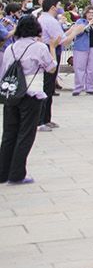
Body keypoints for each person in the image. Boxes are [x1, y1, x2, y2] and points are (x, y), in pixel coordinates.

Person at [1, 15, 55, 184]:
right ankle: (17, 174)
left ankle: (2, 172)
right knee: (25, 134)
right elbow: (51, 68)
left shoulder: (10, 48)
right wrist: (52, 48)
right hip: (31, 94)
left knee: (9, 133)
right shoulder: (39, 47)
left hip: (11, 93)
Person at [33, 0, 64, 132]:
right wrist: (75, 32)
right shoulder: (50, 20)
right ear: (52, 7)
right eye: (58, 6)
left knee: (49, 86)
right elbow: (60, 39)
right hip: (49, 49)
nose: (59, 8)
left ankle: (46, 118)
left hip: (49, 48)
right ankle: (41, 120)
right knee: (47, 85)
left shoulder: (43, 19)